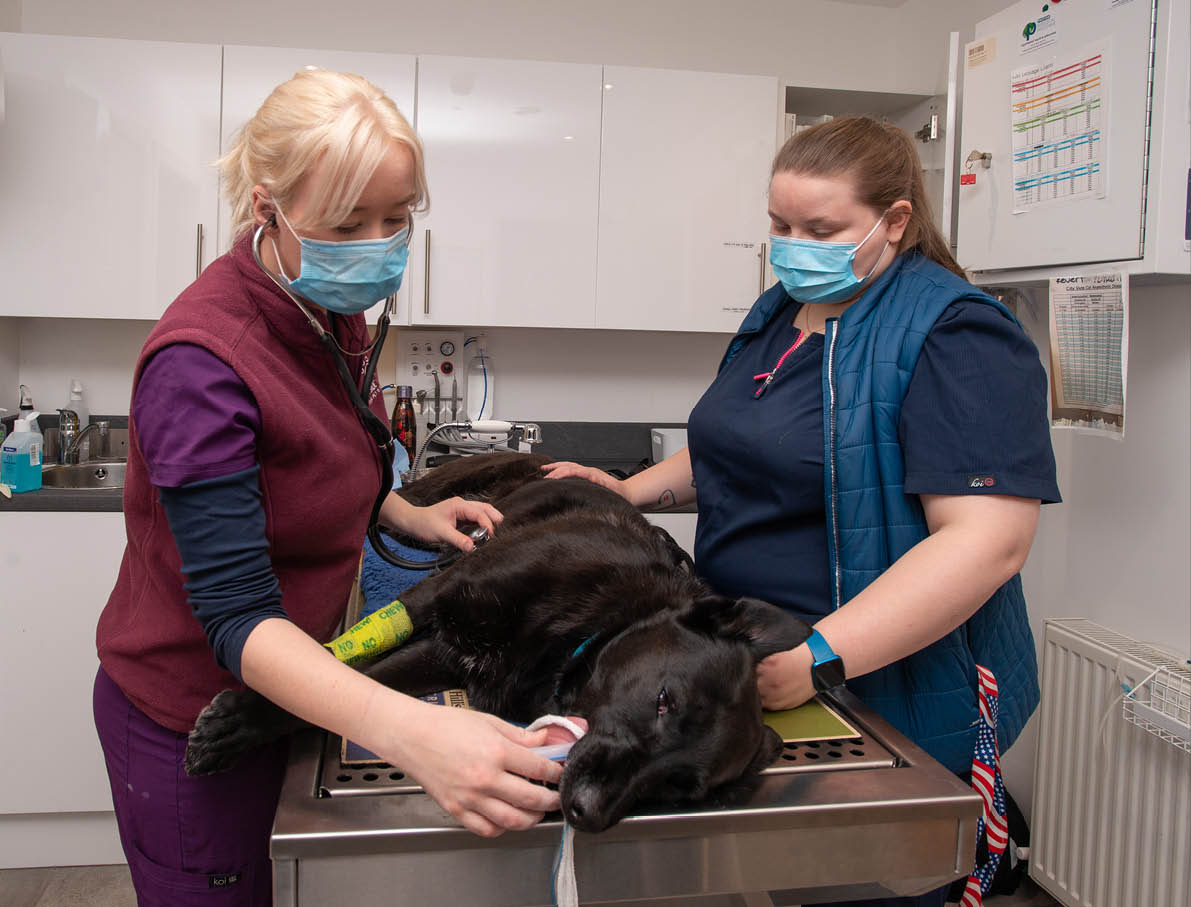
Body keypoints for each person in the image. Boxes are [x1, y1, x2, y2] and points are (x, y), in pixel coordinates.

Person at [544, 116, 1060, 907]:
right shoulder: (782, 310)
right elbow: (737, 444)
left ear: (894, 220)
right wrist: (628, 491)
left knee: (861, 888)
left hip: (878, 689)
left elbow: (987, 544)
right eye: (779, 225)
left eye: (819, 228)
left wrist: (819, 655)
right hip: (754, 663)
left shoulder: (957, 333)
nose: (792, 246)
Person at [93, 69, 562, 906]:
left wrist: (409, 513)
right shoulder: (200, 366)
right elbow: (236, 616)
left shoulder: (324, 308)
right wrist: (416, 732)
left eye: (398, 218)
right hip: (194, 712)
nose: (379, 245)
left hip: (296, 679)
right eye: (349, 223)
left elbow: (328, 445)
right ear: (269, 208)